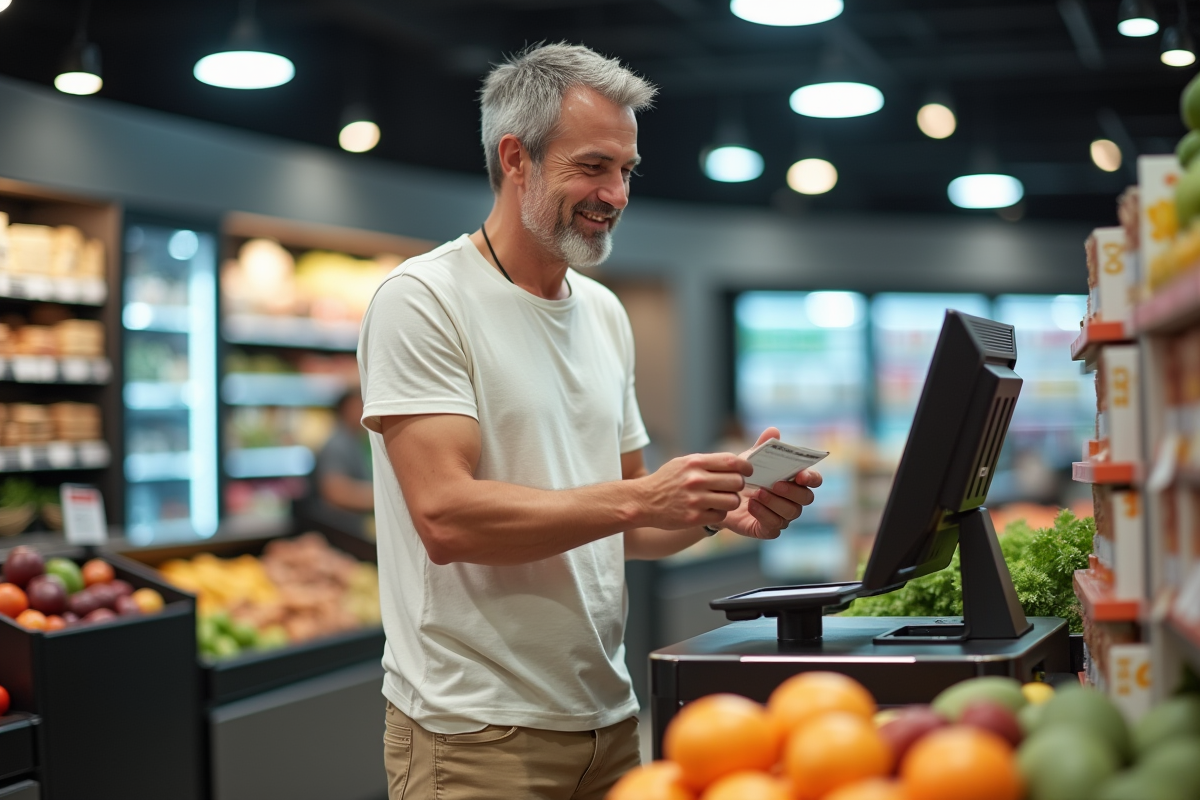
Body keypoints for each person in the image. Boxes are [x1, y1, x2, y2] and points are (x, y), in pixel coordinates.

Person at [358, 43, 822, 800]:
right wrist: (643, 498)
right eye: (593, 167)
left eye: (627, 170)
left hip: (608, 722)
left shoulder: (604, 313)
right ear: (516, 158)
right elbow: (445, 517)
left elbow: (625, 527)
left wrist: (715, 508)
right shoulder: (423, 300)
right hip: (474, 733)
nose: (616, 194)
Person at [312, 389, 374, 536]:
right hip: (342, 528)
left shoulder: (356, 440)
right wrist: (381, 498)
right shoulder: (337, 444)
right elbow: (335, 491)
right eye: (360, 406)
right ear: (346, 410)